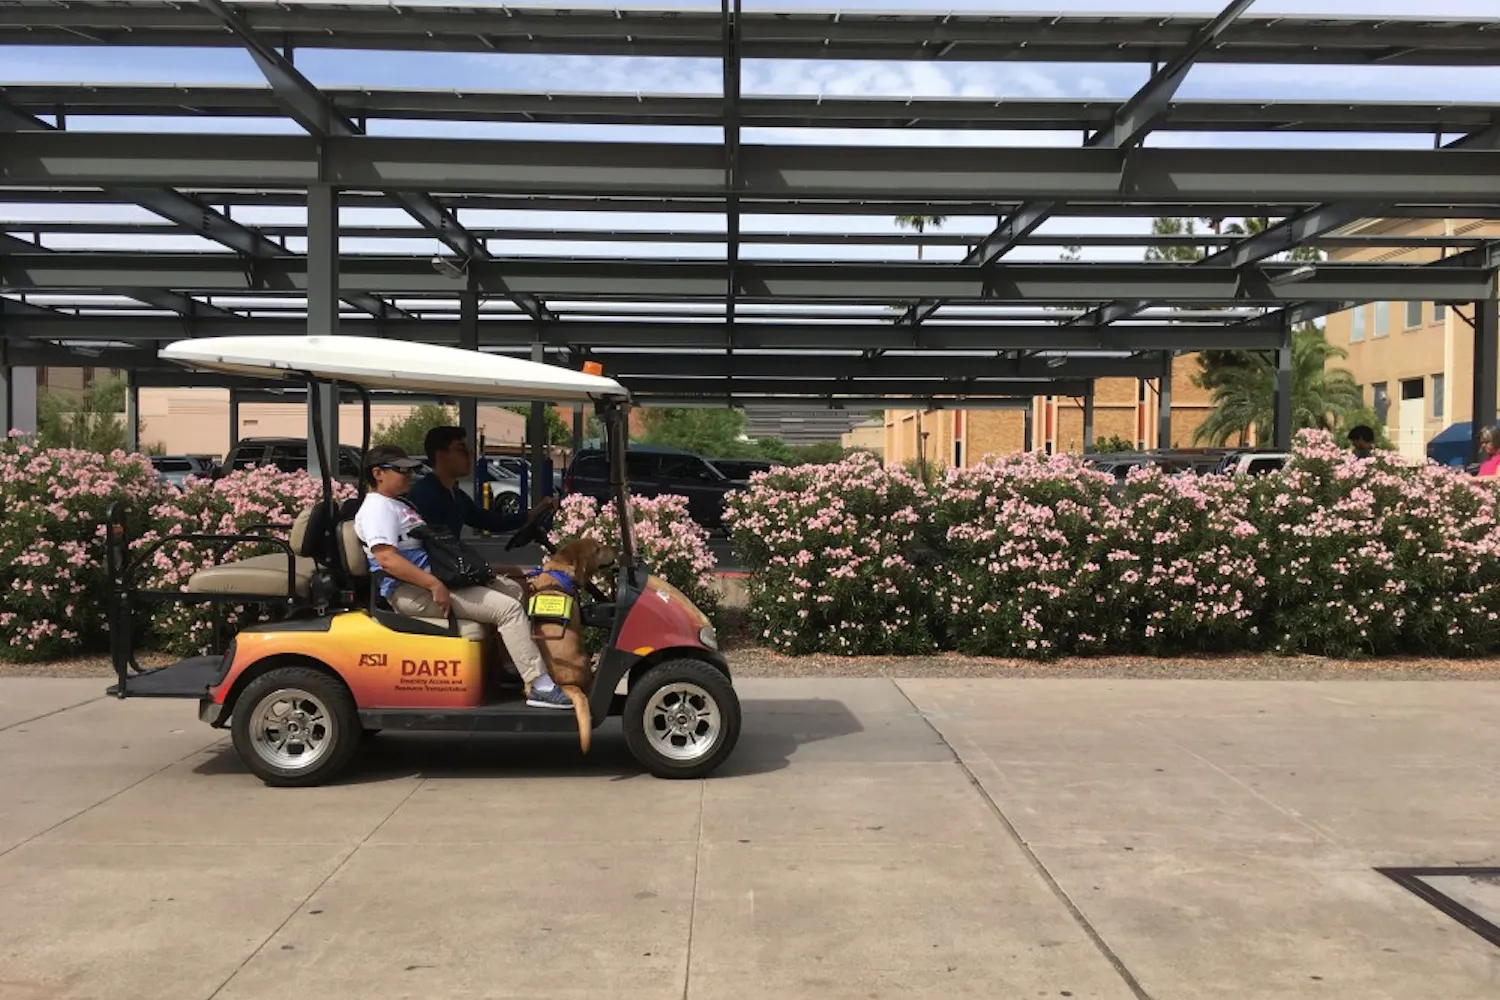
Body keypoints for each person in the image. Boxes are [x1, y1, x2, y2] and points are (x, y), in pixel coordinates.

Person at [352, 443, 572, 710]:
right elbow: (387, 559)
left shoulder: (396, 504)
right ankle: (540, 686)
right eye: (401, 471)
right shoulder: (377, 508)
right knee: (509, 610)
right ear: (378, 473)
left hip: (435, 581)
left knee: (515, 590)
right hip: (412, 591)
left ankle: (509, 668)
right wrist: (434, 584)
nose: (409, 476)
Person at [408, 425, 554, 540]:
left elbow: (490, 521)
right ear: (441, 455)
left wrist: (533, 513)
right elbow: (425, 545)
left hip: (449, 568)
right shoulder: (424, 495)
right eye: (461, 450)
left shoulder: (457, 496)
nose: (469, 455)